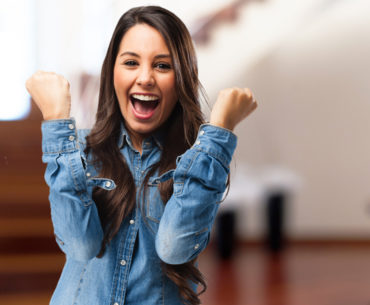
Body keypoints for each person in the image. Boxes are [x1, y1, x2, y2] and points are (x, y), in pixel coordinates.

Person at [25, 5, 257, 305]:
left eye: (162, 65)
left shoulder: (197, 161)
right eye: (131, 62)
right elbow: (80, 245)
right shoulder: (77, 152)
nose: (145, 78)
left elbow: (175, 246)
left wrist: (220, 129)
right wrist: (56, 120)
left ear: (182, 77)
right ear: (113, 73)